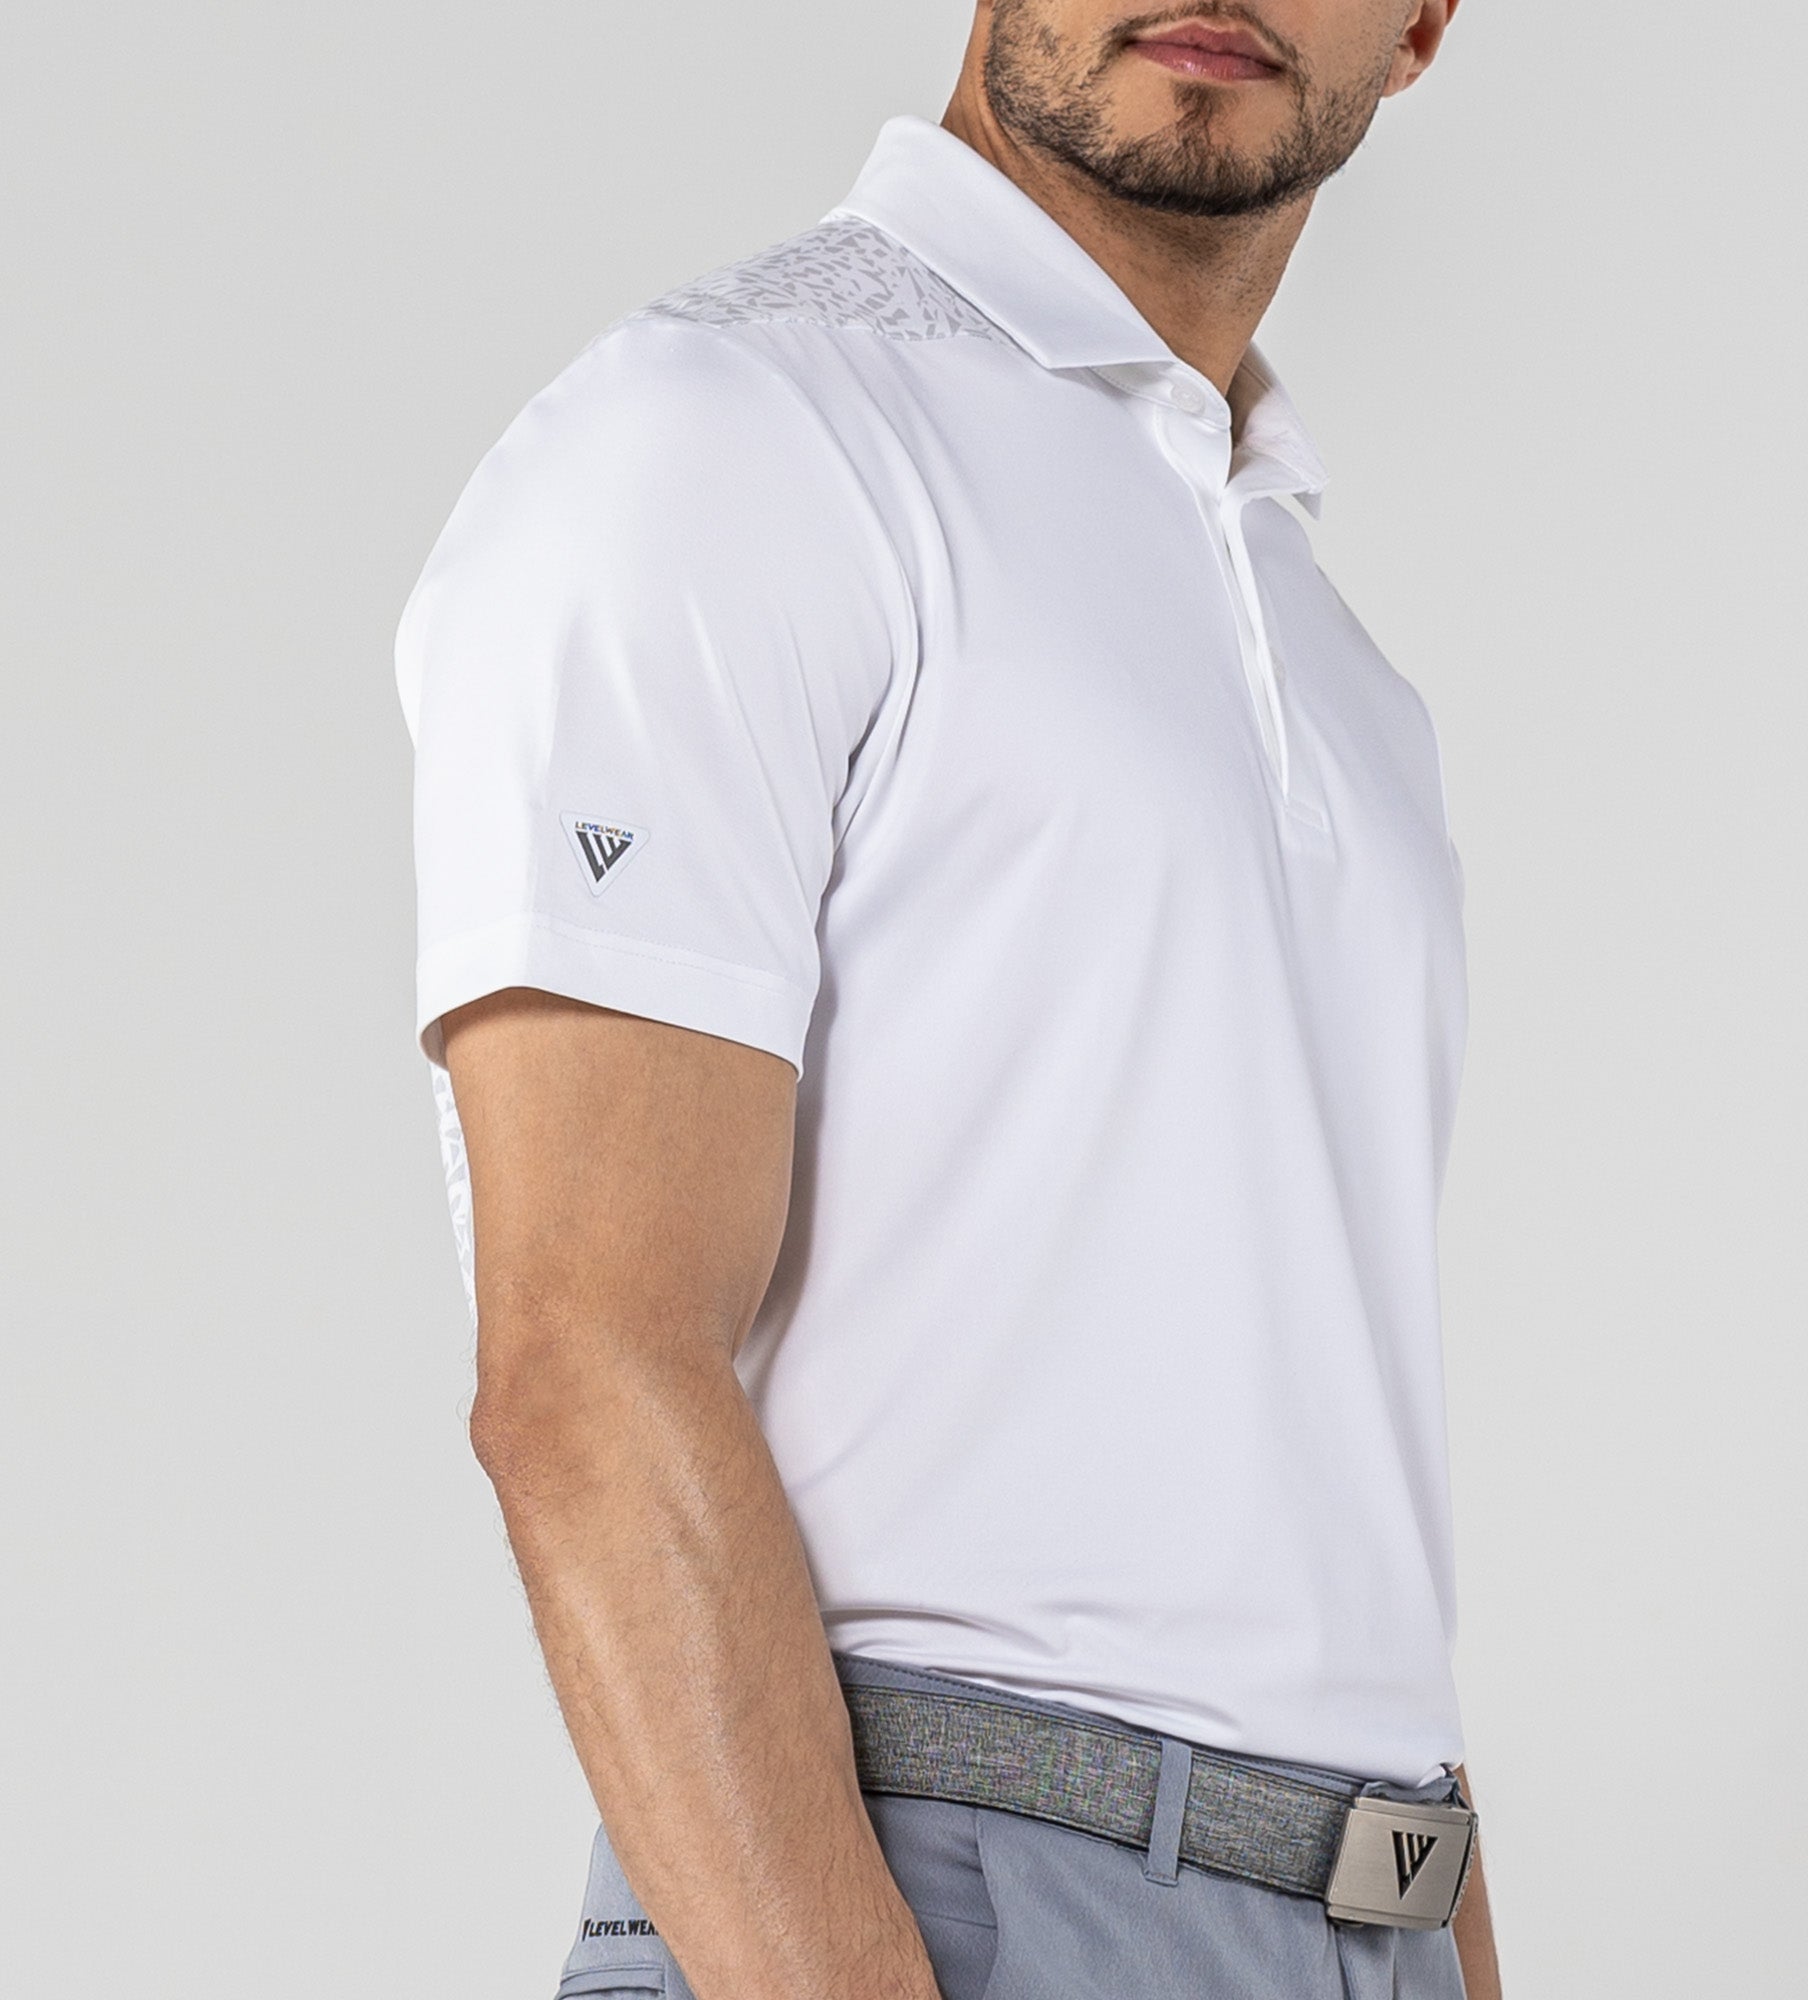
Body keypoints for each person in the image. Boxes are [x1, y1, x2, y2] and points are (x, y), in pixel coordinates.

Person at [397, 2, 1501, 1994]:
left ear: (1421, 22)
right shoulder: (730, 436)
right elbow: (586, 1359)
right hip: (938, 1889)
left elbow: (1343, 1510)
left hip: (1369, 1906)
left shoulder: (1339, 669)